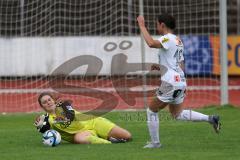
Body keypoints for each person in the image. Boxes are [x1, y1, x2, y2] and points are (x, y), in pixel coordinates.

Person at [137, 14, 221, 148]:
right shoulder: (178, 40)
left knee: (151, 110)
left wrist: (141, 25)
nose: (156, 27)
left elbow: (151, 43)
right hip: (180, 80)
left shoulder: (167, 38)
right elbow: (179, 64)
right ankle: (211, 119)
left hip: (170, 83)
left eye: (157, 24)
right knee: (177, 114)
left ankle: (155, 143)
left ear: (162, 25)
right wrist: (160, 67)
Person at [34, 92, 132, 144]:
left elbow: (70, 115)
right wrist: (39, 126)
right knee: (78, 139)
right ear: (42, 107)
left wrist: (56, 120)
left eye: (49, 100)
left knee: (127, 136)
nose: (48, 102)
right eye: (44, 102)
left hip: (93, 122)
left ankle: (102, 136)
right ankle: (110, 142)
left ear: (54, 100)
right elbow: (45, 130)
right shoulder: (47, 119)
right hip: (82, 134)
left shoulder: (63, 104)